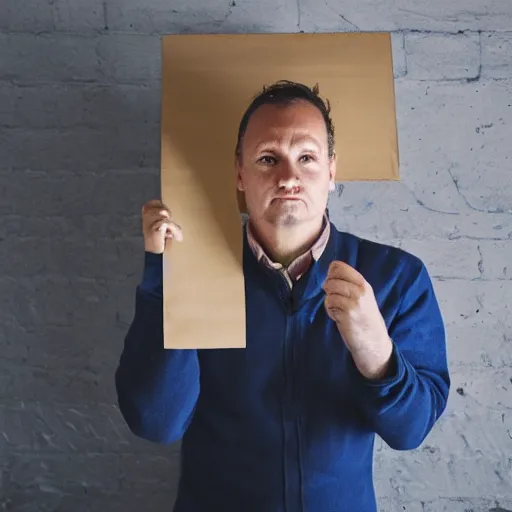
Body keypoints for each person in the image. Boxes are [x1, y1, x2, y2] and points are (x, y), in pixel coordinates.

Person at [115, 80, 450, 512]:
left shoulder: (396, 278)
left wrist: (376, 352)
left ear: (332, 171)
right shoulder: (193, 271)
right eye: (268, 158)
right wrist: (168, 276)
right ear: (239, 173)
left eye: (307, 158)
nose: (289, 177)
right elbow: (156, 422)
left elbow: (412, 431)